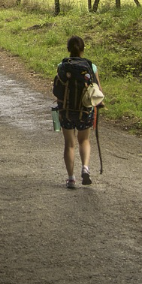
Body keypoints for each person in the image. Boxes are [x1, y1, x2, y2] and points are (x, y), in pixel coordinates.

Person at [52, 35, 103, 188]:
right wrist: (100, 104)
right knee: (84, 140)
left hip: (66, 111)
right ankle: (85, 168)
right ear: (83, 49)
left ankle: (71, 178)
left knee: (69, 144)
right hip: (85, 111)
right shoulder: (90, 66)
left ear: (68, 49)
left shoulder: (62, 66)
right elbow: (97, 90)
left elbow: (57, 90)